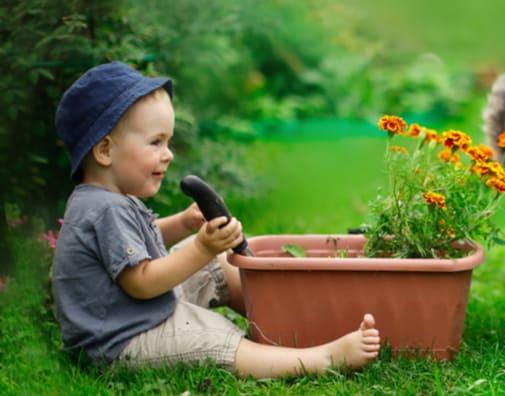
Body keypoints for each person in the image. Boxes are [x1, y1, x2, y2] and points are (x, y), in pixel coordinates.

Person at [52, 61, 380, 378]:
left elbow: (139, 242)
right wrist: (201, 248)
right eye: (156, 142)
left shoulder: (106, 199)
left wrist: (182, 223)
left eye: (168, 141)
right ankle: (321, 358)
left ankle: (290, 325)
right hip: (121, 342)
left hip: (137, 316)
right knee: (211, 339)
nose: (169, 154)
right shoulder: (106, 208)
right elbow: (141, 282)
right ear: (105, 151)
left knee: (217, 265)